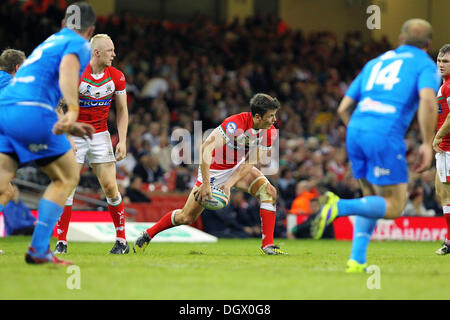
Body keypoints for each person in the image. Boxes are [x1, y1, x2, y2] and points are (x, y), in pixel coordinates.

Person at [311, 19, 440, 272]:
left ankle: (357, 260)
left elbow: (343, 108)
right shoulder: (425, 64)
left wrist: (360, 134)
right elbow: (427, 101)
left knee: (371, 198)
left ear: (400, 40)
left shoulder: (375, 62)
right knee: (394, 206)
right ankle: (338, 206)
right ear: (428, 44)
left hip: (355, 129)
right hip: (384, 132)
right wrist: (426, 143)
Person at [0, 2, 96, 265]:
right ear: (90, 30)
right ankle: (38, 249)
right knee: (67, 176)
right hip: (33, 111)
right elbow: (67, 68)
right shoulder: (79, 44)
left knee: (2, 182)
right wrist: (73, 111)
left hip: (6, 110)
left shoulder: (48, 41)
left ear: (63, 24)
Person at [134, 93, 288, 255]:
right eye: (271, 116)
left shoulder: (270, 132)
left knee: (269, 191)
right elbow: (206, 149)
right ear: (257, 116)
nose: (274, 120)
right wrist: (206, 183)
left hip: (237, 167)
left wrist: (228, 185)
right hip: (213, 170)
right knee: (186, 217)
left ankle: (268, 246)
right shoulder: (234, 125)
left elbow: (250, 162)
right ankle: (147, 234)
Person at [54, 33, 129, 255]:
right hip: (75, 133)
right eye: (110, 50)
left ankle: (121, 242)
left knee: (110, 187)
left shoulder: (117, 77)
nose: (114, 55)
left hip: (101, 135)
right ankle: (61, 242)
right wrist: (67, 136)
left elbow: (122, 110)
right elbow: (57, 107)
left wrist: (122, 140)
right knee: (68, 187)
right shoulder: (76, 73)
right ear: (96, 53)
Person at [431, 44, 450, 255]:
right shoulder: (443, 85)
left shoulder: (448, 87)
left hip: (448, 146)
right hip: (444, 146)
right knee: (440, 190)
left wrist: (438, 136)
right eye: (439, 60)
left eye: (446, 61)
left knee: (446, 196)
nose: (441, 64)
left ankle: (449, 241)